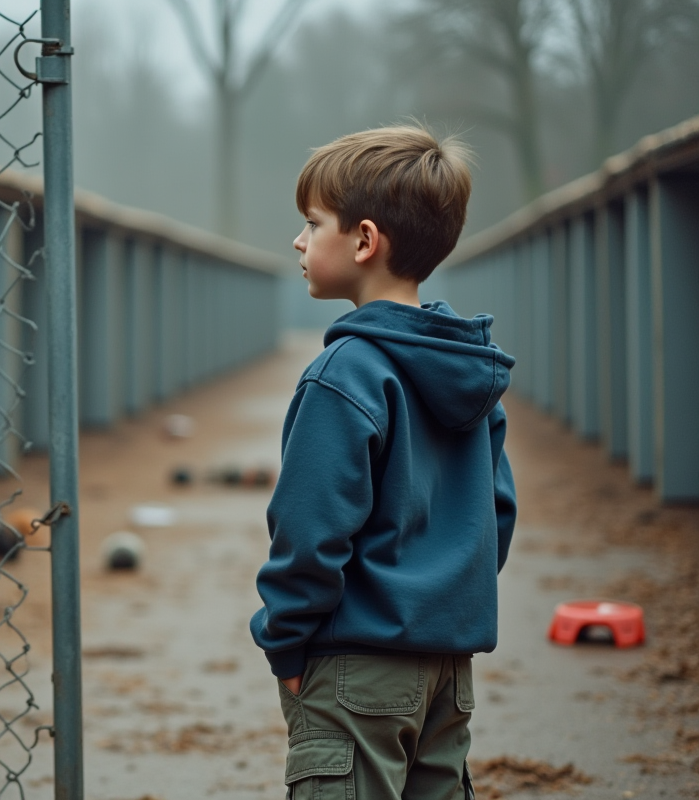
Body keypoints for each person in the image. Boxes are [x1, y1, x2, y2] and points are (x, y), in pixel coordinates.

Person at [251, 124, 517, 800]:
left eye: (313, 223)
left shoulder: (343, 374)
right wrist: (437, 605)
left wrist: (286, 640)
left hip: (356, 667)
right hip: (448, 672)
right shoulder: (469, 376)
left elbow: (308, 529)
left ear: (364, 240)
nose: (299, 241)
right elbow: (497, 517)